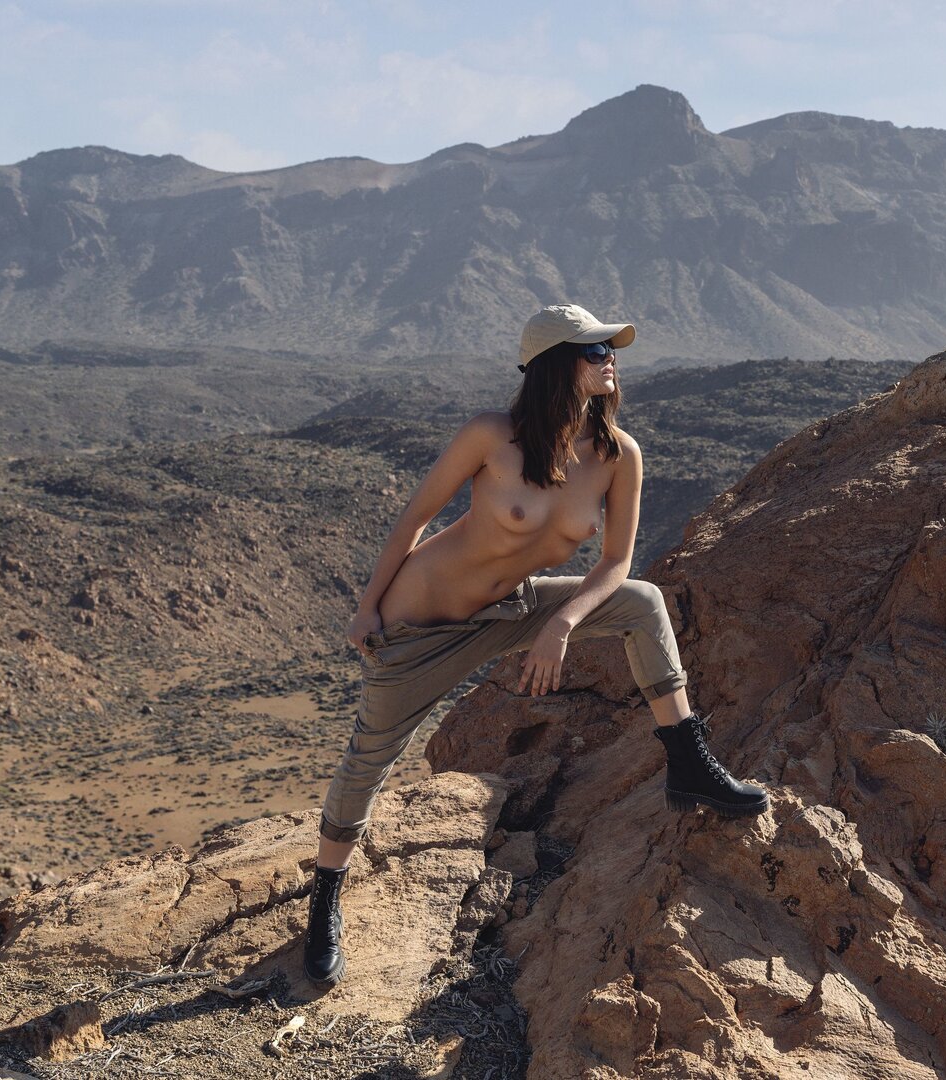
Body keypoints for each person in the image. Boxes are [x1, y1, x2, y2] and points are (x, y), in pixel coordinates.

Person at [302, 303, 769, 988]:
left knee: (643, 603)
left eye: (610, 348)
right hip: (420, 625)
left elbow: (616, 562)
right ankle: (324, 902)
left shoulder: (618, 455)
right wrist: (367, 607)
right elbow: (416, 517)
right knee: (368, 758)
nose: (610, 359)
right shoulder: (492, 436)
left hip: (513, 608)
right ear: (555, 364)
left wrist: (562, 623)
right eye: (594, 350)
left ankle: (689, 764)